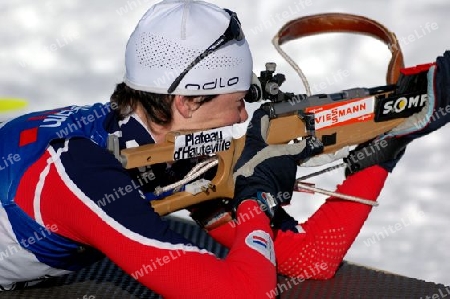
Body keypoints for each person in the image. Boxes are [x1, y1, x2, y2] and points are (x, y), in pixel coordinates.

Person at [0, 0, 449, 297]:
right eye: (237, 104)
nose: (241, 120)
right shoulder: (76, 173)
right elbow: (241, 293)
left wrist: (385, 147)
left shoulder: (167, 150)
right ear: (187, 101)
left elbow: (308, 260)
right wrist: (258, 195)